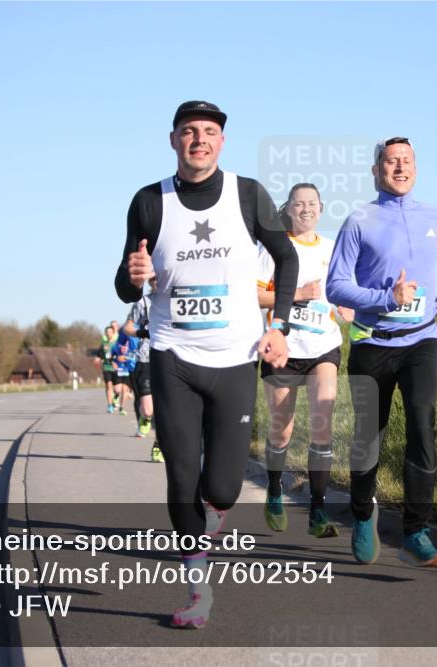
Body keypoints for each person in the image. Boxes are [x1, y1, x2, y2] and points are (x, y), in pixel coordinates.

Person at [115, 100, 298, 628]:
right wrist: (133, 275)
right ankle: (199, 593)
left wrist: (278, 327)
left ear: (222, 142)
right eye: (189, 131)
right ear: (173, 140)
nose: (199, 139)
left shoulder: (248, 195)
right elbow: (126, 282)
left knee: (223, 486)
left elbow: (285, 259)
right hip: (173, 356)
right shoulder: (150, 201)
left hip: (237, 357)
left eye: (210, 132)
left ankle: (210, 520)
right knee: (179, 476)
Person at [325, 136, 437, 568]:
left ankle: (416, 532)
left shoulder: (435, 216)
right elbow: (336, 285)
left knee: (423, 426)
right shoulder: (359, 221)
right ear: (376, 171)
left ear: (416, 168)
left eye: (406, 161)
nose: (399, 168)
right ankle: (363, 513)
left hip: (422, 339)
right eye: (390, 162)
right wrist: (388, 297)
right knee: (369, 437)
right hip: (372, 341)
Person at [257, 183, 353, 538]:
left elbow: (341, 292)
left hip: (322, 346)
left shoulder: (332, 249)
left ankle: (318, 509)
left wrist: (345, 307)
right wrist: (296, 295)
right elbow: (254, 295)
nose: (306, 209)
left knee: (322, 423)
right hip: (282, 348)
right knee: (282, 427)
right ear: (290, 209)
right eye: (299, 204)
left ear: (321, 208)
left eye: (312, 203)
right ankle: (274, 488)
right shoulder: (274, 248)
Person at [125, 277, 161, 461]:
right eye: (153, 279)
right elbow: (127, 327)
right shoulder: (143, 302)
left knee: (165, 409)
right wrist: (141, 332)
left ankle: (159, 446)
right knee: (148, 410)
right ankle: (144, 419)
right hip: (145, 358)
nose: (156, 281)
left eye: (159, 278)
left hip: (169, 357)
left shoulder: (175, 297)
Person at [112, 329, 138, 416]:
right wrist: (114, 361)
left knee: (125, 390)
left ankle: (122, 407)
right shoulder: (116, 345)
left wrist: (127, 358)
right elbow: (112, 356)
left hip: (128, 370)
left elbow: (135, 354)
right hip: (119, 370)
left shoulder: (132, 345)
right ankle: (115, 397)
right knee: (118, 390)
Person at [98, 325, 120, 413]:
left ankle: (115, 398)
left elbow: (120, 355)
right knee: (109, 386)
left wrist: (117, 362)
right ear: (105, 334)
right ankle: (110, 405)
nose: (108, 333)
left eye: (110, 332)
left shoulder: (116, 344)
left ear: (113, 333)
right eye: (107, 332)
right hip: (106, 367)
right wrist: (100, 359)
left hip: (116, 368)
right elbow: (99, 355)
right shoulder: (103, 345)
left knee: (117, 390)